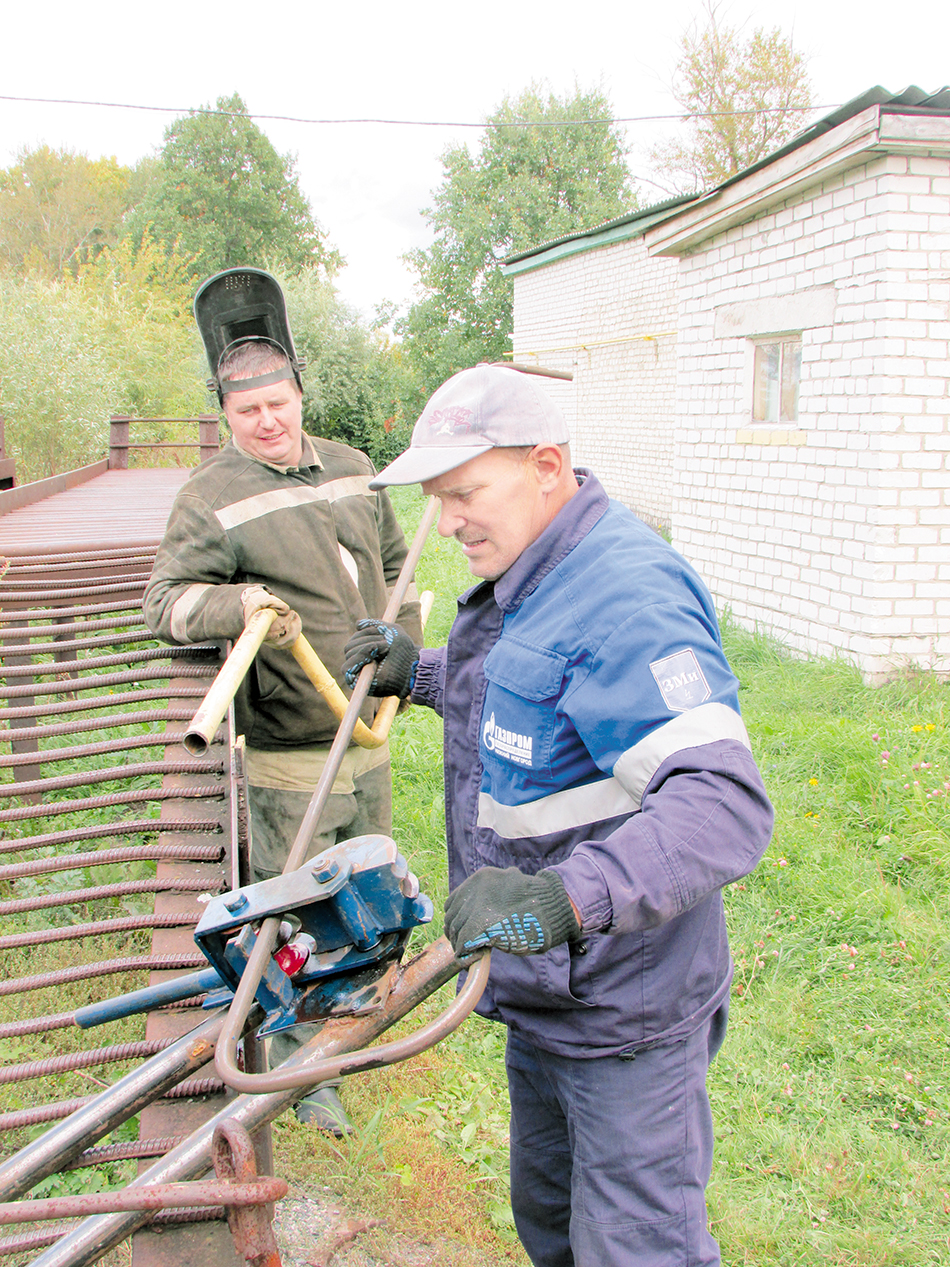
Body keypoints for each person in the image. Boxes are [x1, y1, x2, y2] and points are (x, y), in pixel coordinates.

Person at [342, 363, 774, 1266]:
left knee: (635, 1248)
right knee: (552, 1225)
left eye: (464, 492)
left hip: (622, 1007)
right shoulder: (532, 568)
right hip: (541, 991)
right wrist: (419, 674)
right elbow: (534, 706)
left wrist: (566, 898)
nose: (448, 518)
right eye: (437, 497)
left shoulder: (628, 597)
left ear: (546, 466)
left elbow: (722, 802)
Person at [144, 274, 422, 1134]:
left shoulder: (352, 467)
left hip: (368, 734)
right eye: (248, 411)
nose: (268, 421)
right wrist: (245, 606)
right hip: (290, 748)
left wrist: (404, 652)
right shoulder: (210, 496)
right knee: (295, 907)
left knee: (370, 885)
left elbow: (396, 559)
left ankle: (359, 1022)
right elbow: (166, 604)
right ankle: (305, 1063)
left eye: (278, 402)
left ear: (300, 393)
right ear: (228, 415)